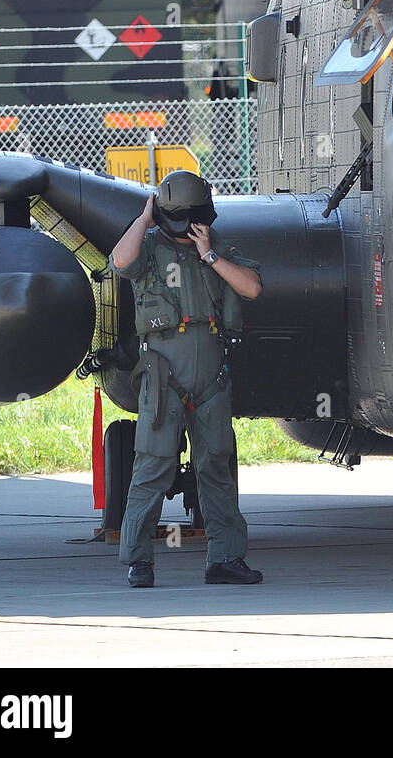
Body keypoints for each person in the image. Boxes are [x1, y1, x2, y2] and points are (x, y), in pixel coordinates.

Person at [110, 170, 263, 587]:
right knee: (153, 465)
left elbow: (251, 287)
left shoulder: (216, 251)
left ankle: (225, 557)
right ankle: (139, 560)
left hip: (212, 379)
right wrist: (144, 219)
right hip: (164, 379)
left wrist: (210, 255)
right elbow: (121, 261)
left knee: (215, 464)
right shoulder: (149, 251)